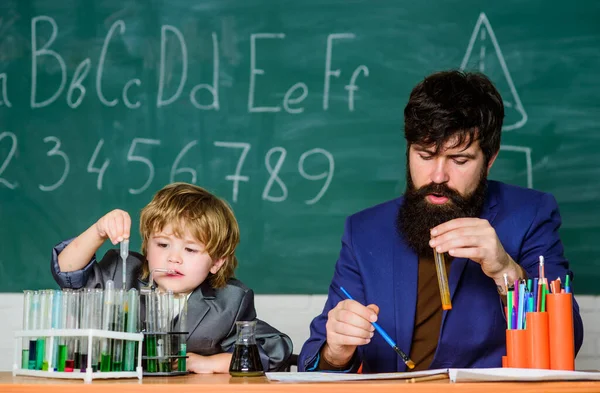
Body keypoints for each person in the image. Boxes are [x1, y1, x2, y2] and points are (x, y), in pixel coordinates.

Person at [298, 70, 584, 373]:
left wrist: (506, 271)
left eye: (459, 160)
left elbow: (566, 343)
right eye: (424, 155)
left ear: (489, 160)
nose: (437, 177)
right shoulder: (364, 231)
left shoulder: (531, 214)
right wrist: (337, 351)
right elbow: (315, 366)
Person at [51, 182, 292, 373]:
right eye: (163, 244)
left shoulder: (229, 301)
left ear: (217, 262)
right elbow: (68, 272)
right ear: (146, 246)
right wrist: (98, 231)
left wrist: (208, 364)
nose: (173, 258)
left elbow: (275, 350)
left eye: (190, 249)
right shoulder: (122, 271)